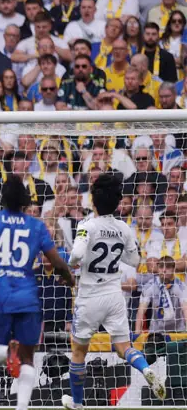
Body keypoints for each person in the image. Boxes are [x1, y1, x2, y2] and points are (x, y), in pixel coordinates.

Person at [0, 174, 74, 410]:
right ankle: (21, 407)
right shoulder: (36, 226)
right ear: (25, 201)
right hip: (27, 295)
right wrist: (68, 278)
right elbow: (57, 262)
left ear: (1, 199)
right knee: (29, 357)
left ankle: (9, 351)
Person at [62, 173, 166, 410]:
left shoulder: (86, 226)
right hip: (114, 295)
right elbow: (135, 259)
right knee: (124, 348)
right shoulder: (123, 228)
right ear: (118, 202)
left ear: (93, 200)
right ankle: (147, 369)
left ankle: (77, 404)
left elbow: (77, 255)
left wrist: (71, 264)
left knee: (78, 351)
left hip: (89, 297)